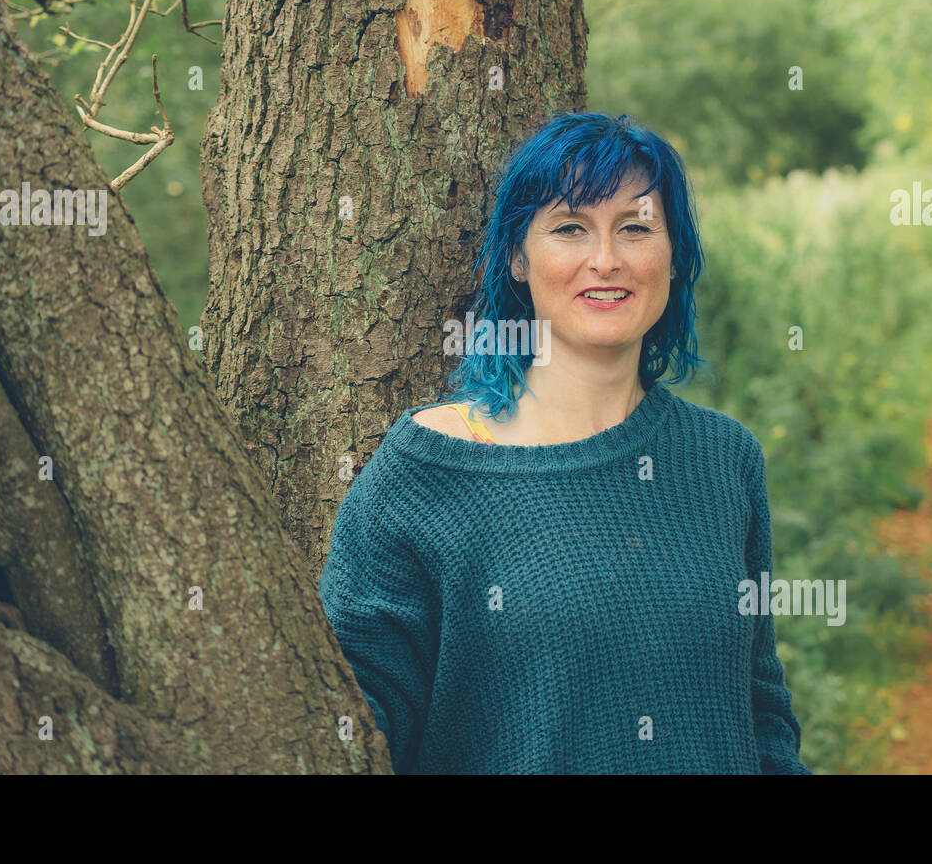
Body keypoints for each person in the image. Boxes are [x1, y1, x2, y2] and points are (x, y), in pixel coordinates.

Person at [318, 112, 810, 774]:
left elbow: (761, 709)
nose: (605, 258)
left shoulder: (724, 457)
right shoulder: (423, 472)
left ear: (674, 254)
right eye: (571, 227)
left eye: (635, 227)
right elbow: (354, 736)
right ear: (518, 257)